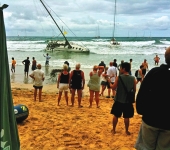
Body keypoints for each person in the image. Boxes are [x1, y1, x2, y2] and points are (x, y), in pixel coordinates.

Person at [135, 47, 170, 150]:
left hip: (150, 118)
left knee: (145, 147)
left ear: (165, 58)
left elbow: (142, 93)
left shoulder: (154, 72)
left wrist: (141, 110)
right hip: (168, 124)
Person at [109, 62, 136, 135]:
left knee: (116, 115)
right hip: (128, 101)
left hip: (119, 100)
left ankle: (114, 130)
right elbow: (134, 90)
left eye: (121, 68)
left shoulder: (119, 77)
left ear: (124, 69)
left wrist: (109, 83)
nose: (120, 69)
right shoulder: (133, 78)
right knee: (126, 117)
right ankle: (126, 131)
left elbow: (113, 88)